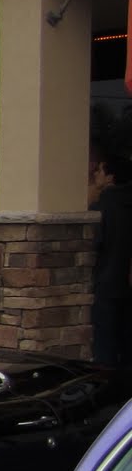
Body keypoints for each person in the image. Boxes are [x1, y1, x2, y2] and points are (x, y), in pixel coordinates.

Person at [92, 156, 132, 369]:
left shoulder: (104, 204)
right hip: (125, 281)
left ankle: (107, 390)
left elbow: (96, 241)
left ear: (110, 177)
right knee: (127, 340)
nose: (94, 175)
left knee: (105, 343)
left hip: (107, 280)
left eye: (99, 170)